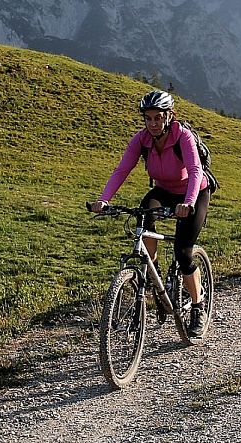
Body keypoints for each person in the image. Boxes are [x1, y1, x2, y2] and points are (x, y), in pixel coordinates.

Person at [88, 90, 211, 337]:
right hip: (164, 191)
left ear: (169, 117)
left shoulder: (182, 137)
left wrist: (188, 203)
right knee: (144, 214)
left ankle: (198, 307)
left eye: (158, 118)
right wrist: (104, 200)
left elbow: (196, 171)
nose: (153, 123)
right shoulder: (141, 140)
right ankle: (153, 274)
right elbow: (122, 170)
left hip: (193, 192)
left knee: (183, 252)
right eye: (148, 118)